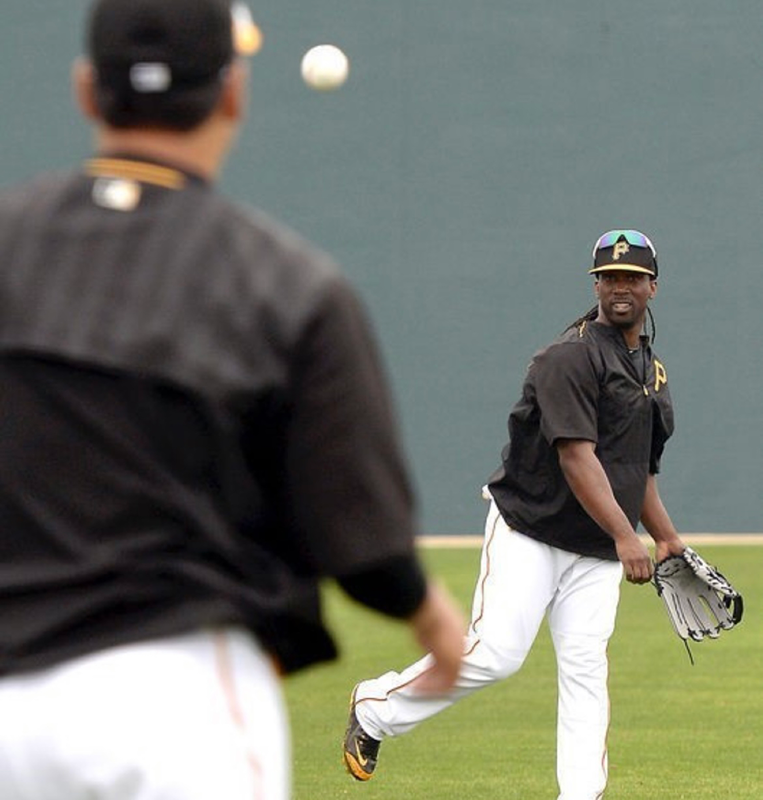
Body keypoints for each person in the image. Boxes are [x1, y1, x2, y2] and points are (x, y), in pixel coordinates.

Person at [0, 1, 465, 799]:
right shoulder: (286, 284)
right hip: (181, 700)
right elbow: (363, 540)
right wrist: (431, 622)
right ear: (232, 95)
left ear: (86, 89)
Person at [343, 229, 688, 800]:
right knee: (495, 654)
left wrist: (667, 538)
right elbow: (576, 457)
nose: (620, 286)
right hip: (533, 528)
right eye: (609, 276)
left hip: (597, 548)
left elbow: (636, 470)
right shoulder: (569, 358)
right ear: (596, 285)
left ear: (653, 287)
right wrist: (629, 537)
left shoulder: (652, 373)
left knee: (586, 673)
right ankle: (375, 709)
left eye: (632, 277)